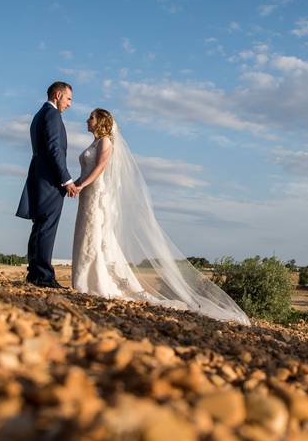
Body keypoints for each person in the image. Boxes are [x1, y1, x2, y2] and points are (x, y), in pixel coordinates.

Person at [70, 108, 250, 325]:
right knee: (86, 232)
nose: (87, 120)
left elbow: (100, 168)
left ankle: (93, 282)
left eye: (91, 117)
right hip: (88, 194)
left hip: (96, 193)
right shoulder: (95, 143)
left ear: (101, 121)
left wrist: (81, 184)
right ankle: (84, 279)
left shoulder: (105, 142)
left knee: (95, 234)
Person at [15, 81, 79, 288]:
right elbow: (54, 149)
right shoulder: (52, 115)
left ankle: (34, 273)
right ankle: (43, 276)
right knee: (47, 227)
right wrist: (66, 179)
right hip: (50, 180)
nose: (69, 104)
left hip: (40, 176)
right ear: (58, 95)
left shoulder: (39, 114)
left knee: (40, 225)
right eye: (69, 98)